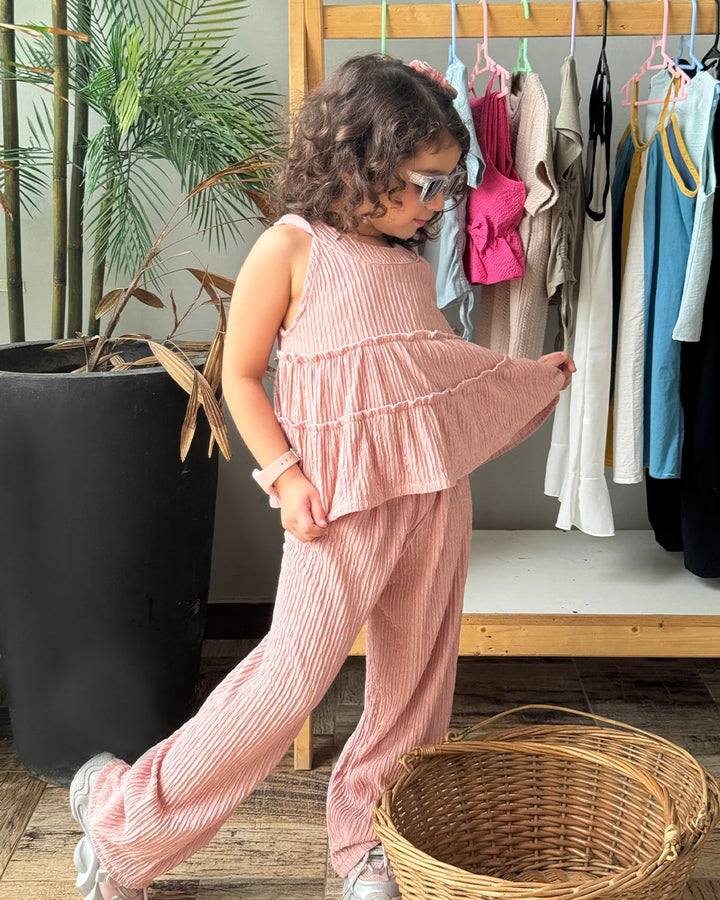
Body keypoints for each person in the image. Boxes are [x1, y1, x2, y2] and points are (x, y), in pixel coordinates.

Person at [68, 53, 574, 900]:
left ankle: (368, 841)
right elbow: (239, 375)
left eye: (449, 185)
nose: (438, 203)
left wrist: (523, 378)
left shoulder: (410, 267)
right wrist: (285, 474)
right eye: (424, 182)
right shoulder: (292, 247)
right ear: (360, 161)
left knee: (416, 682)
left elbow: (429, 374)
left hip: (431, 495)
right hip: (333, 502)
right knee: (290, 678)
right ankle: (124, 817)